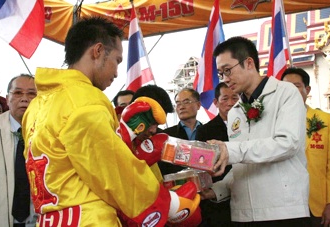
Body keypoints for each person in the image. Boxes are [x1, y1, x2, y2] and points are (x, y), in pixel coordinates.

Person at [22, 16, 200, 226]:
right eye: (117, 60)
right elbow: (112, 169)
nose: (117, 72)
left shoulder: (36, 106)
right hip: (89, 219)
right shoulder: (84, 99)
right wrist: (168, 203)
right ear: (98, 51)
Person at [202, 36, 310, 226]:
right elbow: (242, 166)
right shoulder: (235, 111)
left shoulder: (285, 93)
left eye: (228, 70)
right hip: (242, 214)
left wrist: (231, 150)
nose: (225, 79)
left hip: (282, 212)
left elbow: (288, 143)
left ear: (249, 63)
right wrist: (216, 189)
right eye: (221, 73)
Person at [281, 67, 330, 227]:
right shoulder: (275, 122)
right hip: (284, 205)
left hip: (318, 205)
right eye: (285, 88)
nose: (290, 91)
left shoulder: (326, 121)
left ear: (307, 89)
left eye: (296, 86)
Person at [0, 74, 37, 226]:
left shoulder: (51, 136)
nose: (24, 99)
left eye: (32, 94)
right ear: (7, 97)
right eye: (18, 93)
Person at [195, 82, 239, 227]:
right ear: (216, 102)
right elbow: (201, 166)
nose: (230, 103)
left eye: (235, 98)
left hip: (245, 192)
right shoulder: (205, 131)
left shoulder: (250, 125)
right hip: (217, 199)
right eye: (225, 99)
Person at [159, 88, 202, 175]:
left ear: (198, 105)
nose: (181, 107)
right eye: (178, 103)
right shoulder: (167, 136)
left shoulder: (210, 131)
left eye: (186, 102)